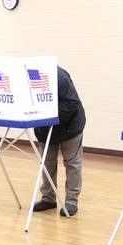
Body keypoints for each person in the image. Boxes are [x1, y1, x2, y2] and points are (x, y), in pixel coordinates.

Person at [32, 66, 86, 217]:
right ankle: (48, 198)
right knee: (47, 162)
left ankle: (71, 202)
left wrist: (48, 113)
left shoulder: (59, 77)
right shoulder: (26, 81)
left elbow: (72, 103)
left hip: (70, 126)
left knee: (72, 163)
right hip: (45, 128)